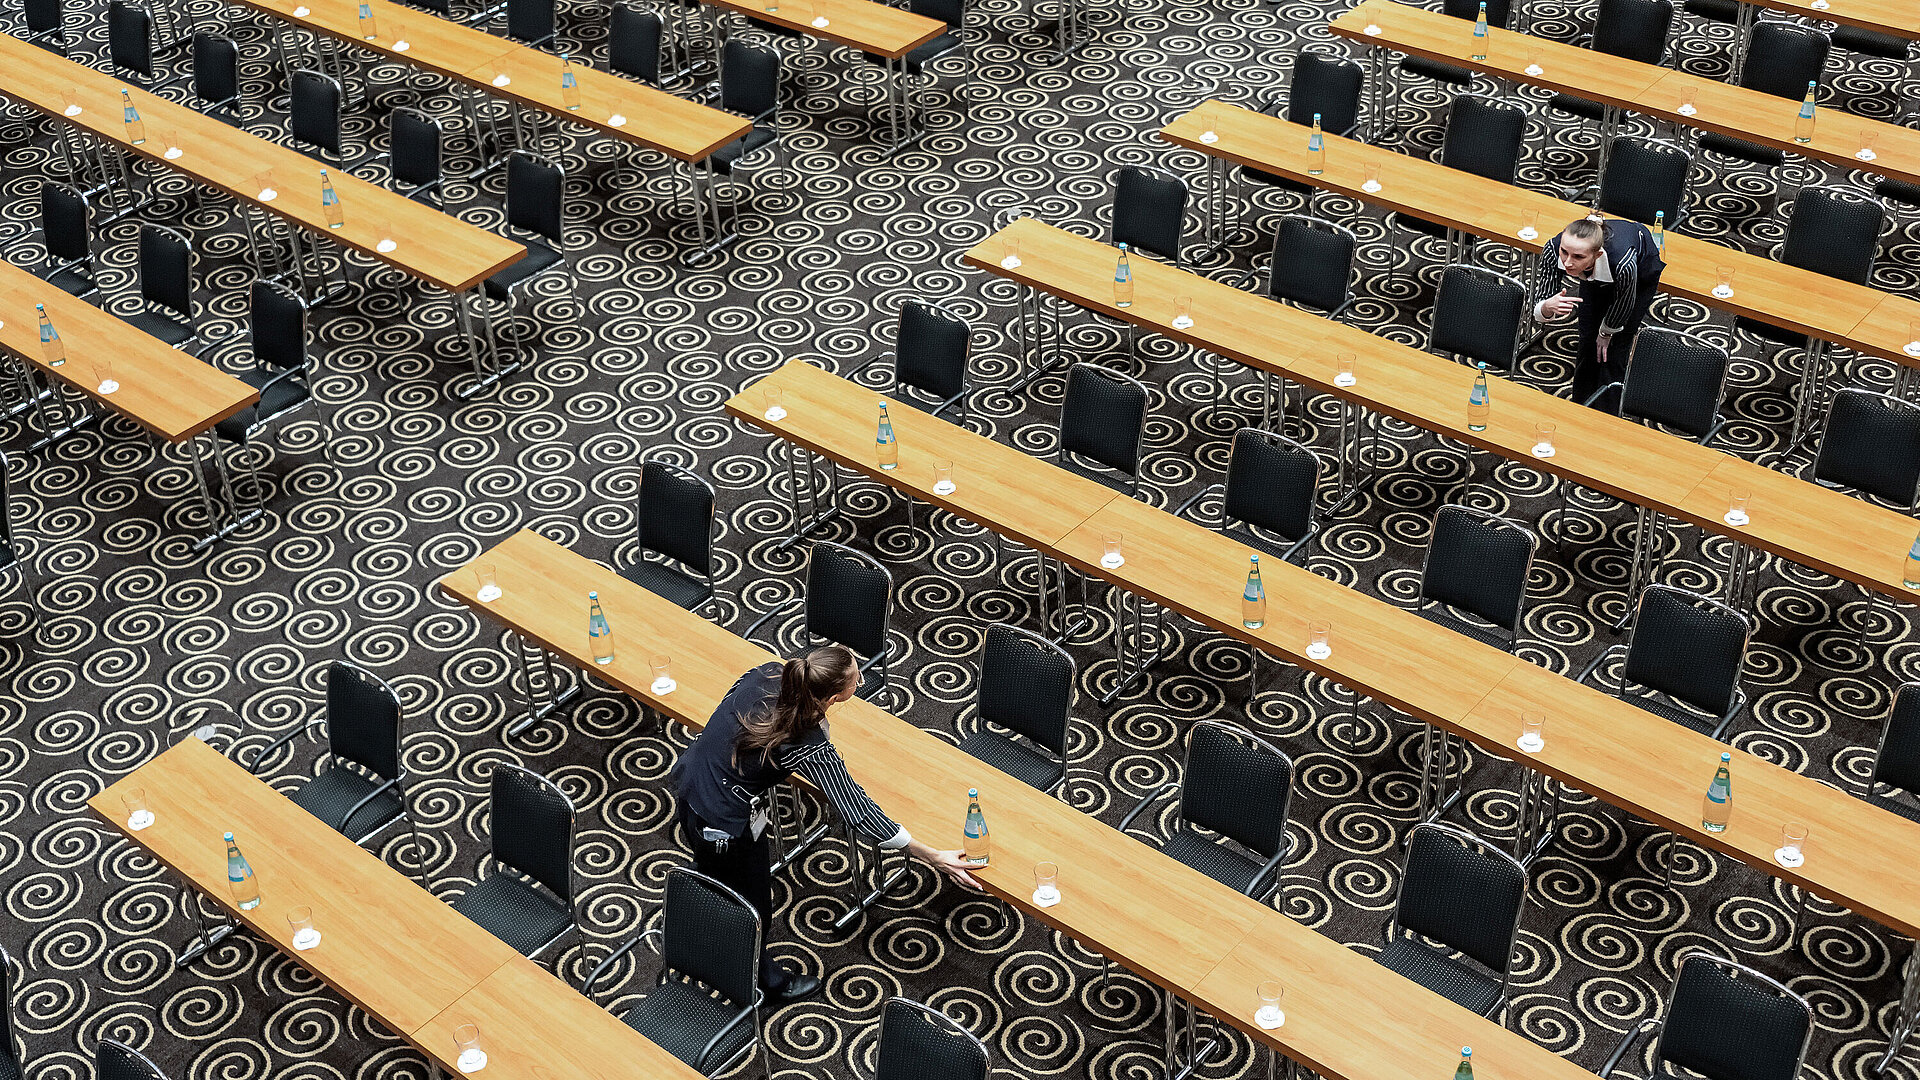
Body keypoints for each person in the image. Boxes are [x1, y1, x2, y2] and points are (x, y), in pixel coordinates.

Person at [670, 645, 979, 1003]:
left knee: (715, 879)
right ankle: (766, 985)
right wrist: (931, 855)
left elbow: (729, 711)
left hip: (692, 786)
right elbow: (857, 810)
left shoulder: (768, 673)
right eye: (856, 678)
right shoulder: (806, 739)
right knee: (752, 905)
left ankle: (703, 922)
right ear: (834, 696)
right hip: (724, 824)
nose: (862, 679)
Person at [1530, 215, 1665, 412]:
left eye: (1577, 257)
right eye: (1564, 252)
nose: (1567, 262)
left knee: (1613, 350)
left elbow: (1625, 301)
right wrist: (1547, 307)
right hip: (1592, 274)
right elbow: (1540, 304)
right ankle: (1580, 408)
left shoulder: (1623, 262)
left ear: (1597, 255)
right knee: (1587, 341)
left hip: (1640, 273)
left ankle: (1607, 416)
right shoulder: (1553, 249)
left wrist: (1607, 332)